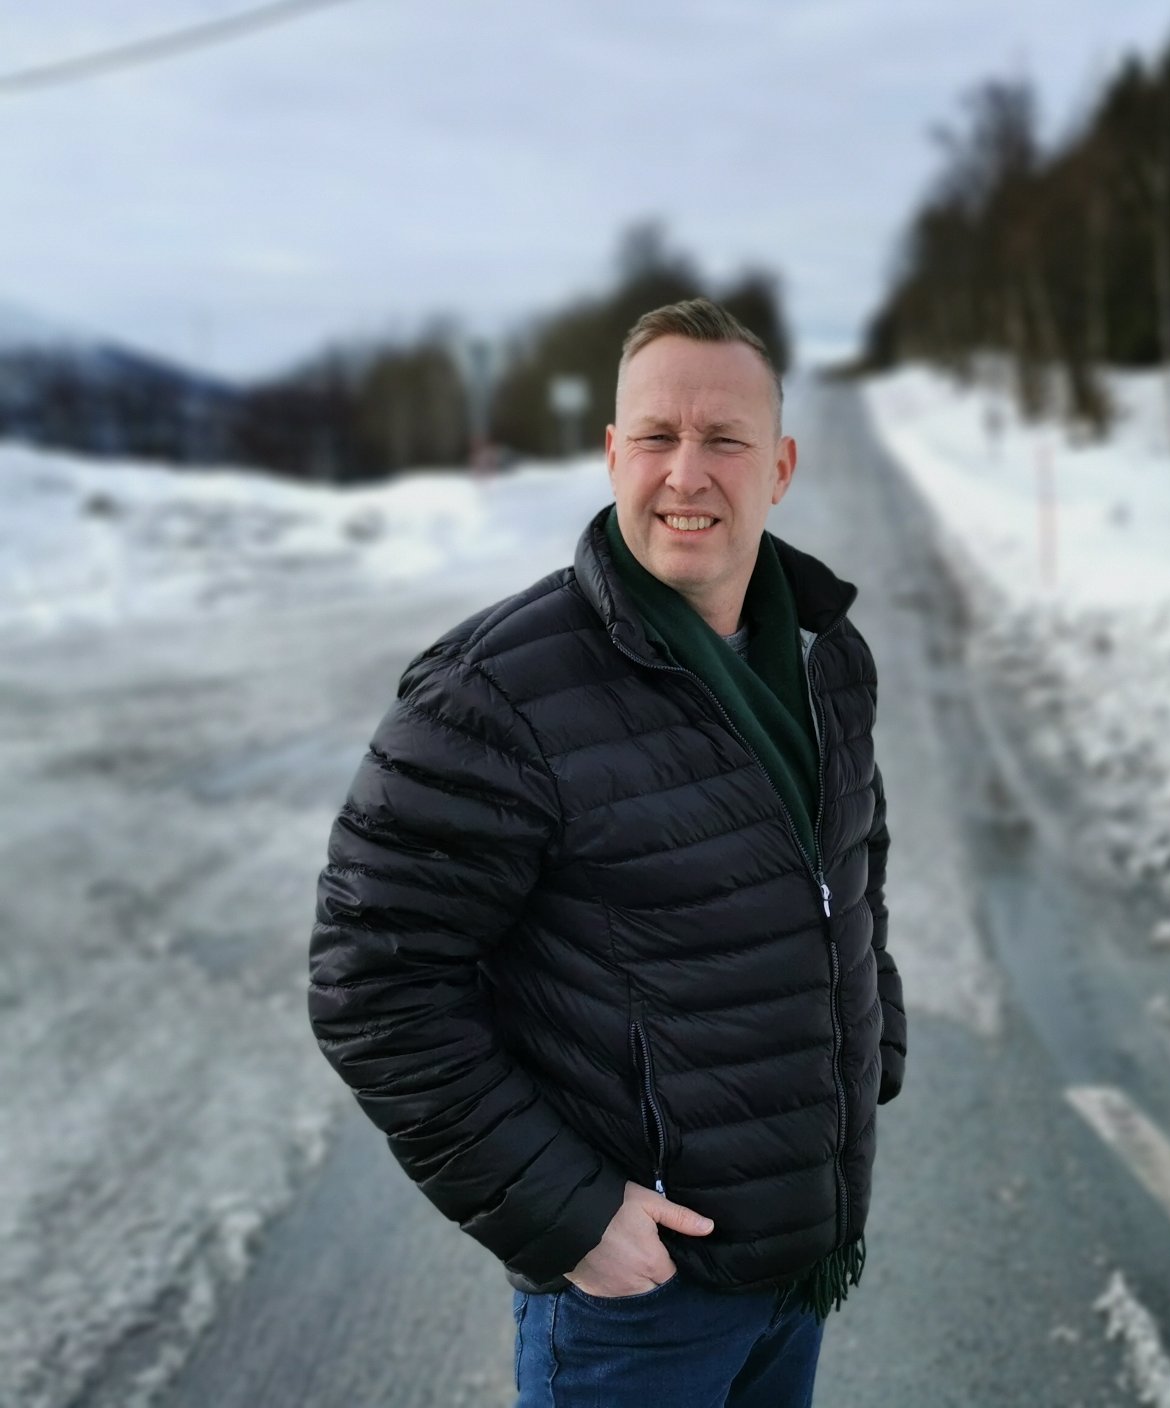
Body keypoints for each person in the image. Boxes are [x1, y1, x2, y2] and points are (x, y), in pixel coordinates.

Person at [306, 297, 904, 1408]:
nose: (687, 473)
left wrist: (870, 1049)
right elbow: (374, 983)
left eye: (724, 439)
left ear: (779, 467)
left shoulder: (825, 654)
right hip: (638, 1307)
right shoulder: (496, 694)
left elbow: (851, 861)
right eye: (658, 437)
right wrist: (571, 1217)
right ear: (612, 453)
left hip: (797, 1259)